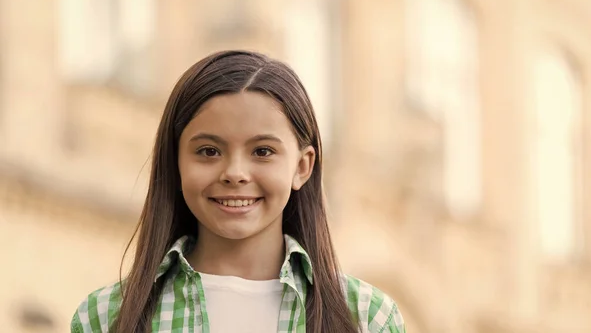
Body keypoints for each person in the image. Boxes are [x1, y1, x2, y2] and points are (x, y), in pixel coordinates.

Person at [70, 50, 406, 333]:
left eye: (262, 151)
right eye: (208, 151)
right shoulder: (105, 317)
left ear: (302, 167)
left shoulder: (367, 317)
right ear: (175, 162)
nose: (234, 173)